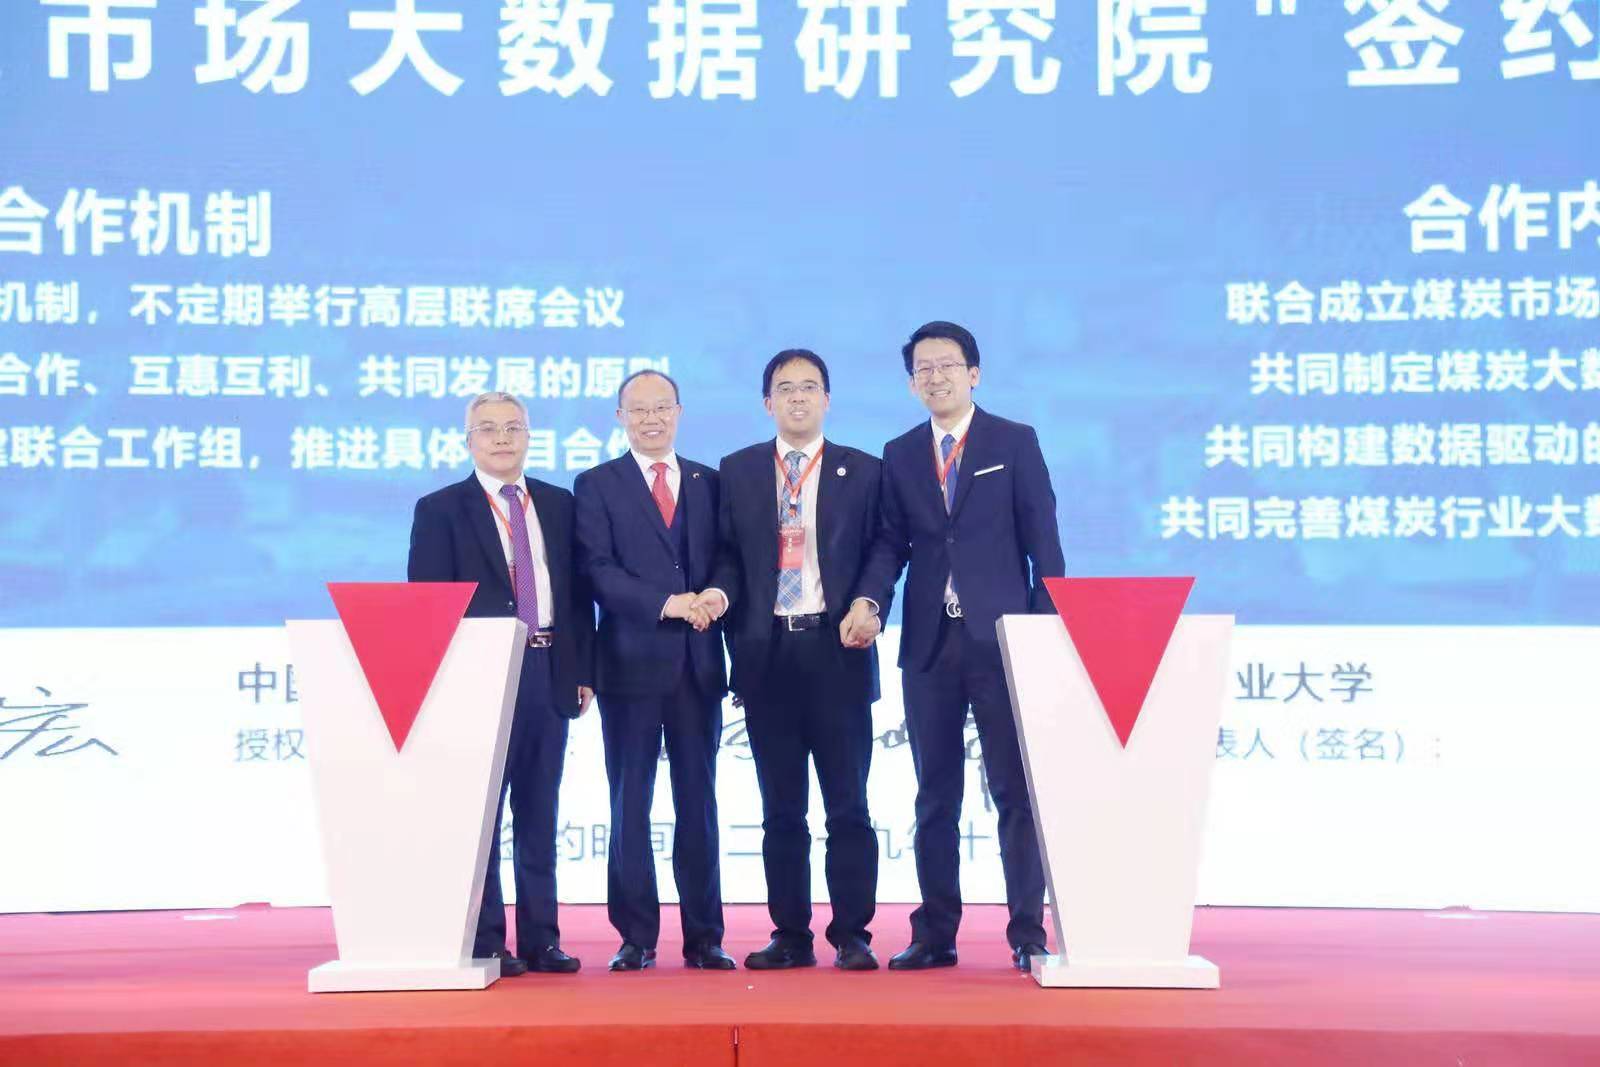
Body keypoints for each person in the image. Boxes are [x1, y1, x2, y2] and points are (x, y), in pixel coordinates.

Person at [859, 321, 1065, 972]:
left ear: (974, 374)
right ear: (911, 383)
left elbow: (1044, 545)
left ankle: (1028, 931)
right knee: (934, 794)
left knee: (1014, 791)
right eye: (923, 368)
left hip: (1002, 642)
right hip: (929, 642)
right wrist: (871, 602)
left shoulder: (1014, 441)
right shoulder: (899, 453)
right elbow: (890, 543)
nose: (936, 376)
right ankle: (935, 932)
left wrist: (1042, 633)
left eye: (947, 365)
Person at [697, 349, 887, 971]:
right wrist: (719, 595)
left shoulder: (864, 470)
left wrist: (869, 601)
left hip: (838, 650)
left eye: (809, 387)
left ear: (827, 399)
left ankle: (853, 934)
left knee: (848, 805)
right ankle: (791, 935)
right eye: (785, 388)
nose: (797, 397)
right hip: (767, 654)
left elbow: (885, 548)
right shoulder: (738, 470)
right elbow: (728, 554)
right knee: (781, 809)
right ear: (767, 403)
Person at [406, 390, 595, 976]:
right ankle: (487, 939)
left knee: (540, 809)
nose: (502, 438)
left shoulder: (559, 504)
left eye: (513, 427)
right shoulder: (440, 509)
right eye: (488, 429)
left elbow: (577, 595)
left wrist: (581, 670)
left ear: (529, 436)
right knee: (483, 815)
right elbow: (427, 606)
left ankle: (543, 940)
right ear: (469, 441)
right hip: (479, 674)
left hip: (548, 668)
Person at [573, 369, 734, 972]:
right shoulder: (597, 485)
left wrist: (716, 595)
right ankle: (636, 936)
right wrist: (667, 604)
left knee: (699, 803)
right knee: (630, 802)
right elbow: (597, 570)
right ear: (620, 418)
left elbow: (729, 557)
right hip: (628, 666)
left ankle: (705, 936)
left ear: (679, 412)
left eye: (661, 407)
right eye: (638, 410)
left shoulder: (708, 481)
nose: (651, 419)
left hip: (698, 665)